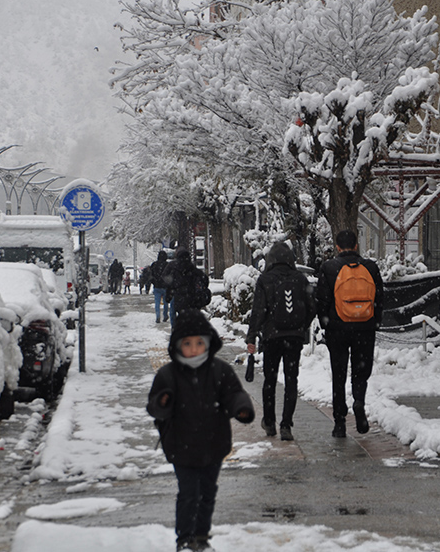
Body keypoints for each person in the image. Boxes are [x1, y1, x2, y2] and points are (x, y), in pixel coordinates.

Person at [147, 309, 255, 552]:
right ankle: (185, 539)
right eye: (187, 343)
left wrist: (241, 408)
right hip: (181, 446)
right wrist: (162, 402)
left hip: (213, 445)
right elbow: (154, 407)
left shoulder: (220, 370)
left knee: (207, 493)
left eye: (199, 343)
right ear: (177, 345)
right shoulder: (168, 374)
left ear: (208, 342)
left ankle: (201, 537)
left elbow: (233, 393)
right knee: (189, 493)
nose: (194, 349)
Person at [315, 230, 384, 438]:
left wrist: (325, 323)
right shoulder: (370, 267)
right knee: (361, 371)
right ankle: (359, 401)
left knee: (339, 374)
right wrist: (375, 321)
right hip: (364, 327)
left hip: (338, 328)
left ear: (337, 247)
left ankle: (339, 422)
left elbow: (322, 299)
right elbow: (379, 297)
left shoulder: (329, 268)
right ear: (356, 246)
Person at [245, 242, 315, 441]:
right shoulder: (300, 279)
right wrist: (301, 327)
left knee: (270, 379)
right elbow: (312, 306)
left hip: (272, 337)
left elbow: (258, 310)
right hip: (293, 337)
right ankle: (286, 424)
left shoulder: (265, 279)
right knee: (291, 380)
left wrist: (252, 336)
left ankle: (269, 422)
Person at [163, 248, 205, 327]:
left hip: (179, 296)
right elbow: (202, 278)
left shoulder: (174, 267)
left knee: (176, 313)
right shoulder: (192, 268)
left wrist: (168, 295)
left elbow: (169, 282)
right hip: (191, 297)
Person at [149, 250, 170, 323]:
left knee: (157, 302)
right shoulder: (167, 265)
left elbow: (151, 275)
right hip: (165, 287)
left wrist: (154, 282)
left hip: (157, 286)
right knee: (165, 302)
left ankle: (158, 316)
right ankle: (165, 315)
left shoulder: (154, 264)